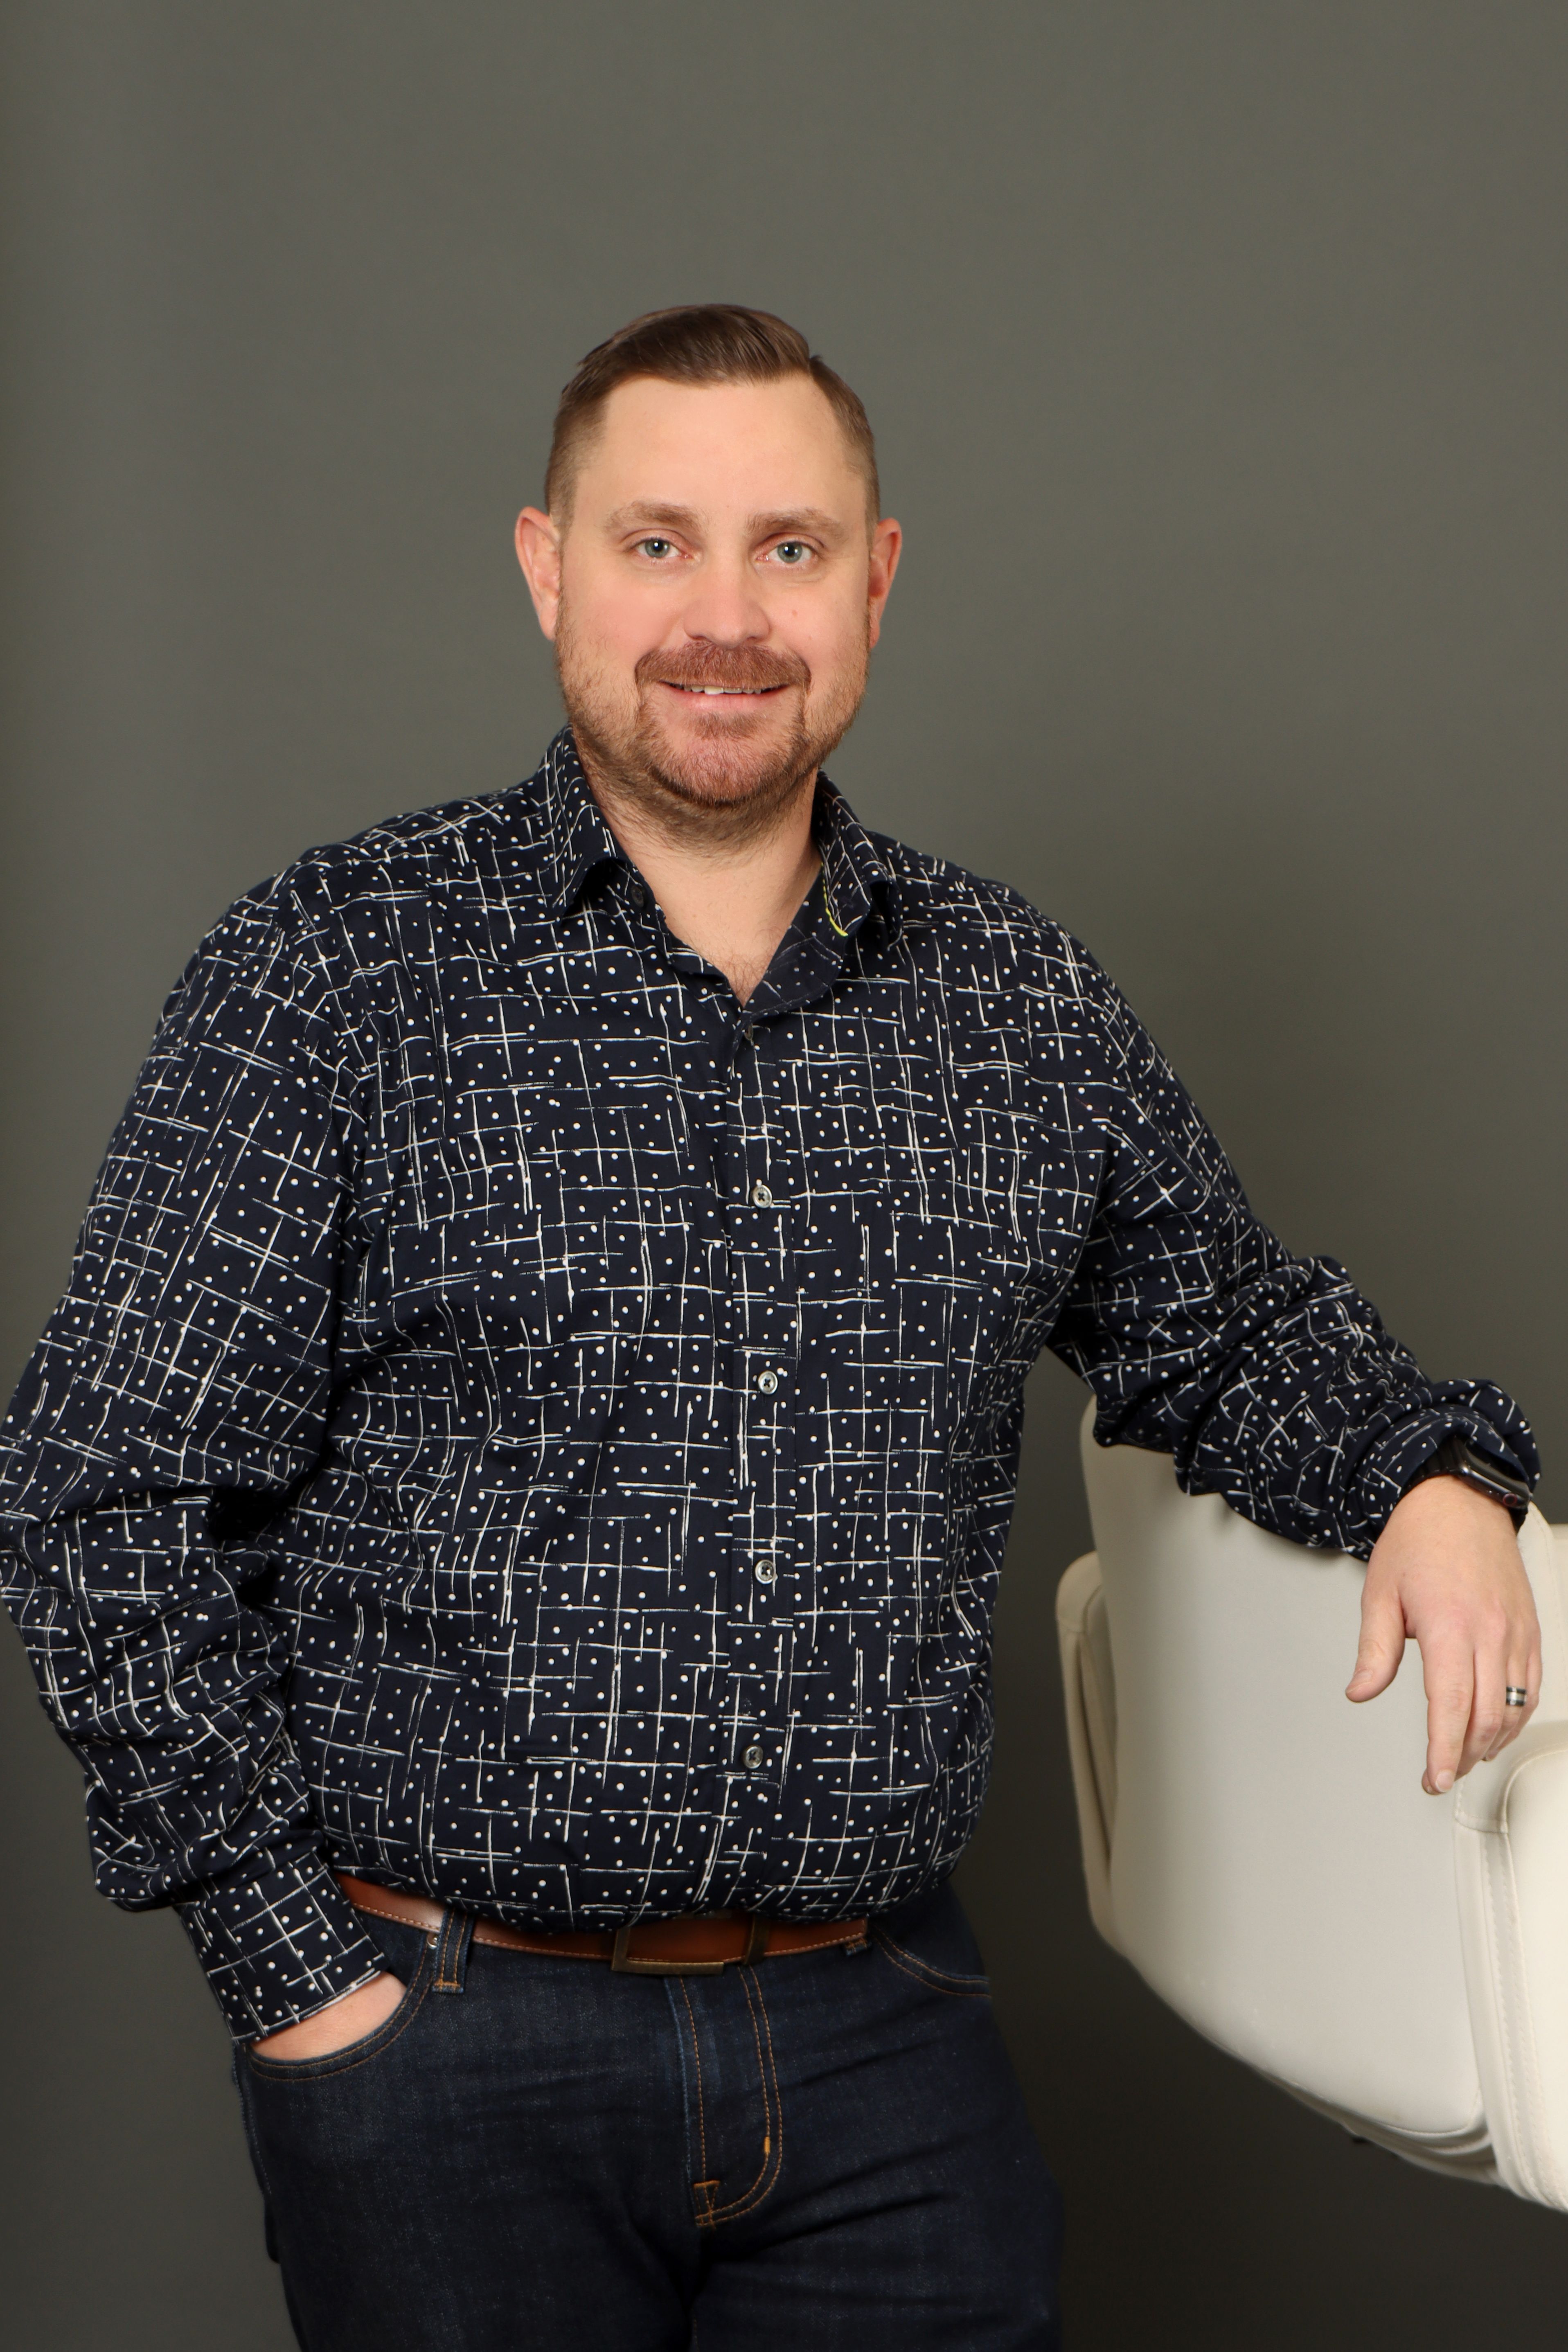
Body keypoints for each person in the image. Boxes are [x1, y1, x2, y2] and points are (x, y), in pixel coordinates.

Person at [0, 304, 1541, 2351]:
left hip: (881, 2040)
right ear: (547, 565)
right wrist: (302, 1981)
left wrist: (1431, 1471)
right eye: (656, 544)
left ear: (875, 580)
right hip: (444, 2046)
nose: (724, 617)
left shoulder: (1013, 1003)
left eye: (789, 550)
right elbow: (102, 1492)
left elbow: (1229, 1334)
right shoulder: (335, 972)